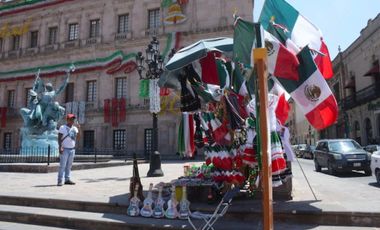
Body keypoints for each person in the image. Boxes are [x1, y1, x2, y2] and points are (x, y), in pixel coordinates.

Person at [57, 114, 80, 186]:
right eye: (71, 119)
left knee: (69, 166)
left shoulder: (75, 129)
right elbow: (59, 138)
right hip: (65, 149)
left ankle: (67, 179)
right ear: (67, 120)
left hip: (72, 149)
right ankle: (60, 180)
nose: (72, 120)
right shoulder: (62, 127)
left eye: (73, 119)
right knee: (62, 165)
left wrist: (79, 128)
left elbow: (78, 138)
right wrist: (60, 147)